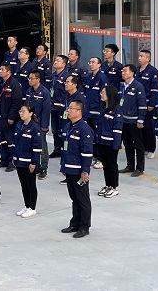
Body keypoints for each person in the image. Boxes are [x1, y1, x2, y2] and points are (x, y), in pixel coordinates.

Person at [60, 99, 94, 238]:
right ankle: (75, 223)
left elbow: (87, 152)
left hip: (78, 170)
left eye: (71, 108)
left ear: (79, 111)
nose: (68, 110)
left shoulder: (85, 130)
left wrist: (85, 171)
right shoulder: (68, 126)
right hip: (69, 168)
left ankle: (84, 226)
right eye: (69, 108)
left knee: (83, 199)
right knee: (74, 197)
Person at [13, 104, 43, 219]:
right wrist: (14, 157)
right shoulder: (19, 125)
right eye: (20, 111)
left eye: (23, 111)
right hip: (19, 160)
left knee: (31, 185)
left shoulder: (35, 128)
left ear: (30, 113)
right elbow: (15, 143)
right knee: (23, 184)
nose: (21, 113)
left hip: (28, 162)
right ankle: (26, 206)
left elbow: (37, 147)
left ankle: (32, 207)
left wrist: (34, 162)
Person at [118, 64, 147, 177]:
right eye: (122, 71)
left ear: (132, 73)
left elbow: (142, 104)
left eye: (125, 71)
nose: (123, 73)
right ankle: (130, 166)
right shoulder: (122, 86)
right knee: (127, 144)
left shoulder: (138, 86)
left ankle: (140, 168)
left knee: (138, 145)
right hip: (124, 120)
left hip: (134, 121)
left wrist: (140, 120)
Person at [95, 86, 123, 198]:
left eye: (103, 92)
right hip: (102, 142)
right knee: (105, 165)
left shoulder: (117, 111)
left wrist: (116, 146)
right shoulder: (103, 109)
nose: (101, 94)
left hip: (110, 144)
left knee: (112, 165)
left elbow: (117, 130)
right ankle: (108, 185)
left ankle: (114, 187)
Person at [0, 62, 23, 172]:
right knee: (2, 140)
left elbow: (17, 102)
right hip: (0, 116)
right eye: (0, 69)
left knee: (10, 141)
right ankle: (4, 159)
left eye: (2, 69)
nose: (0, 71)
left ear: (9, 72)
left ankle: (12, 161)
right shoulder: (0, 82)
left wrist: (11, 117)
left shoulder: (14, 84)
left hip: (9, 118)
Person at [24, 70, 51, 180]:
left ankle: (44, 168)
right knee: (33, 146)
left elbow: (46, 110)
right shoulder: (29, 91)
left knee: (42, 148)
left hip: (40, 124)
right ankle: (37, 166)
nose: (30, 81)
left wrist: (44, 125)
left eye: (32, 79)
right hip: (30, 123)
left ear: (38, 79)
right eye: (29, 78)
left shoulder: (44, 92)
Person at [84, 57, 108, 168]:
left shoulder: (102, 78)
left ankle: (100, 159)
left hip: (97, 112)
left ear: (99, 65)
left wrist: (102, 110)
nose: (91, 64)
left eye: (93, 62)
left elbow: (105, 95)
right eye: (90, 62)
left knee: (98, 136)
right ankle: (94, 156)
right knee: (91, 136)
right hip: (88, 111)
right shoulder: (89, 77)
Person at [136, 50, 158, 159]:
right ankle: (142, 147)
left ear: (148, 58)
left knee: (148, 126)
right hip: (137, 103)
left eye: (142, 56)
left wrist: (152, 104)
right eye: (139, 56)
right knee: (139, 127)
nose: (139, 58)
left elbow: (154, 89)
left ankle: (150, 148)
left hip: (147, 103)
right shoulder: (137, 70)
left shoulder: (153, 71)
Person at [49, 54, 69, 159]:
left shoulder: (67, 77)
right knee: (55, 130)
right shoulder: (53, 76)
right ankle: (57, 149)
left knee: (63, 130)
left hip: (63, 108)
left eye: (58, 61)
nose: (55, 62)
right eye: (55, 60)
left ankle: (64, 150)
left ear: (64, 64)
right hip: (53, 107)